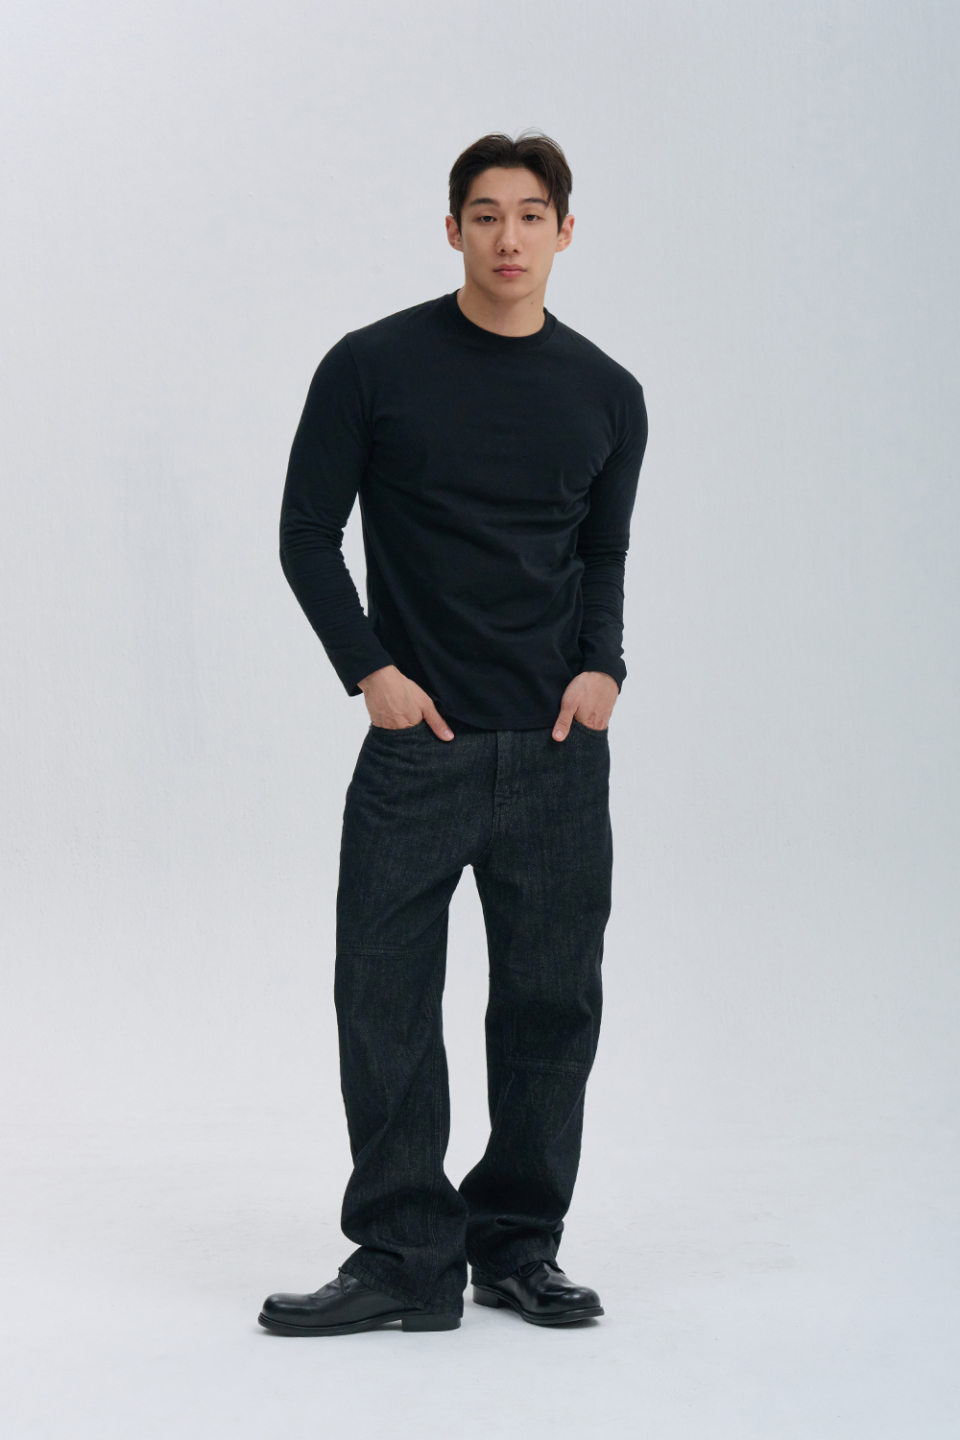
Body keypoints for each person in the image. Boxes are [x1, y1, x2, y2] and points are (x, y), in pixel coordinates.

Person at [258, 132, 648, 1337]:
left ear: (565, 232)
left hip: (556, 753)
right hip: (415, 748)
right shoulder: (372, 366)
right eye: (486, 215)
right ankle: (404, 1257)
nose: (508, 238)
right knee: (381, 1000)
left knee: (549, 1009)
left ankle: (517, 1247)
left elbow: (602, 551)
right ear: (452, 230)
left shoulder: (608, 393)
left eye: (531, 216)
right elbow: (306, 533)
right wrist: (370, 671)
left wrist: (604, 665)